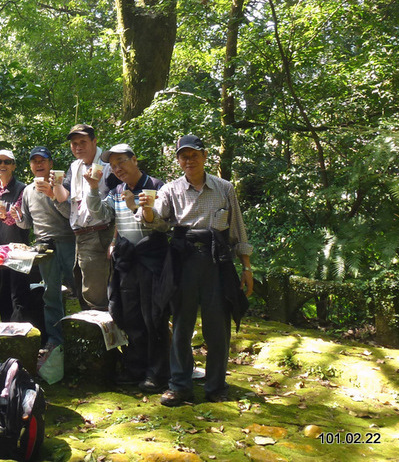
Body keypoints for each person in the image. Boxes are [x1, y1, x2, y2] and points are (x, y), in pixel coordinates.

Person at [139, 134, 254, 406]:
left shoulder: (224, 188)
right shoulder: (170, 189)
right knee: (181, 322)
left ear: (205, 157)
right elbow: (157, 222)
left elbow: (237, 228)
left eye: (194, 155)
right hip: (182, 259)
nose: (189, 160)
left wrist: (247, 267)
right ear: (178, 160)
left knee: (218, 325)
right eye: (183, 156)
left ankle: (216, 385)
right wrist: (145, 210)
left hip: (217, 261)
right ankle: (179, 385)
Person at [85, 143, 169, 389]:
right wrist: (92, 189)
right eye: (113, 165)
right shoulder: (117, 190)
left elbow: (165, 225)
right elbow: (101, 214)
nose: (117, 168)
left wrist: (136, 207)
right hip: (127, 261)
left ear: (135, 160)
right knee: (129, 315)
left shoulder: (157, 187)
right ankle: (135, 368)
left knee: (153, 316)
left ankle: (157, 373)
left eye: (122, 162)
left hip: (152, 261)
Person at [14, 146, 74, 356]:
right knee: (51, 294)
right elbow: (26, 224)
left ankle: (87, 338)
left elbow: (71, 214)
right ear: (30, 165)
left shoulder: (62, 183)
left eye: (43, 160)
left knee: (81, 290)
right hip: (43, 246)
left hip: (68, 241)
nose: (39, 164)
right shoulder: (28, 191)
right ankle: (56, 341)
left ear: (50, 164)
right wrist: (16, 217)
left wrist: (52, 193)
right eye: (35, 161)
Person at [52, 124, 114, 310]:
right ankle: (95, 334)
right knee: (82, 288)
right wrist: (54, 187)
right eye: (74, 143)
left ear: (94, 142)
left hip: (101, 233)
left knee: (97, 295)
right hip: (81, 236)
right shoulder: (75, 166)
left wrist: (114, 240)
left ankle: (104, 336)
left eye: (83, 142)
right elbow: (66, 198)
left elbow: (116, 207)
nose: (78, 146)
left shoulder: (108, 166)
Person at [0, 149, 30, 322]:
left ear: (13, 166)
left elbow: (18, 219)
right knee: (2, 295)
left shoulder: (22, 189)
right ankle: (5, 333)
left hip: (19, 249)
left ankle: (21, 336)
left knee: (18, 294)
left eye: (7, 162)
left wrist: (5, 215)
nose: (2, 165)